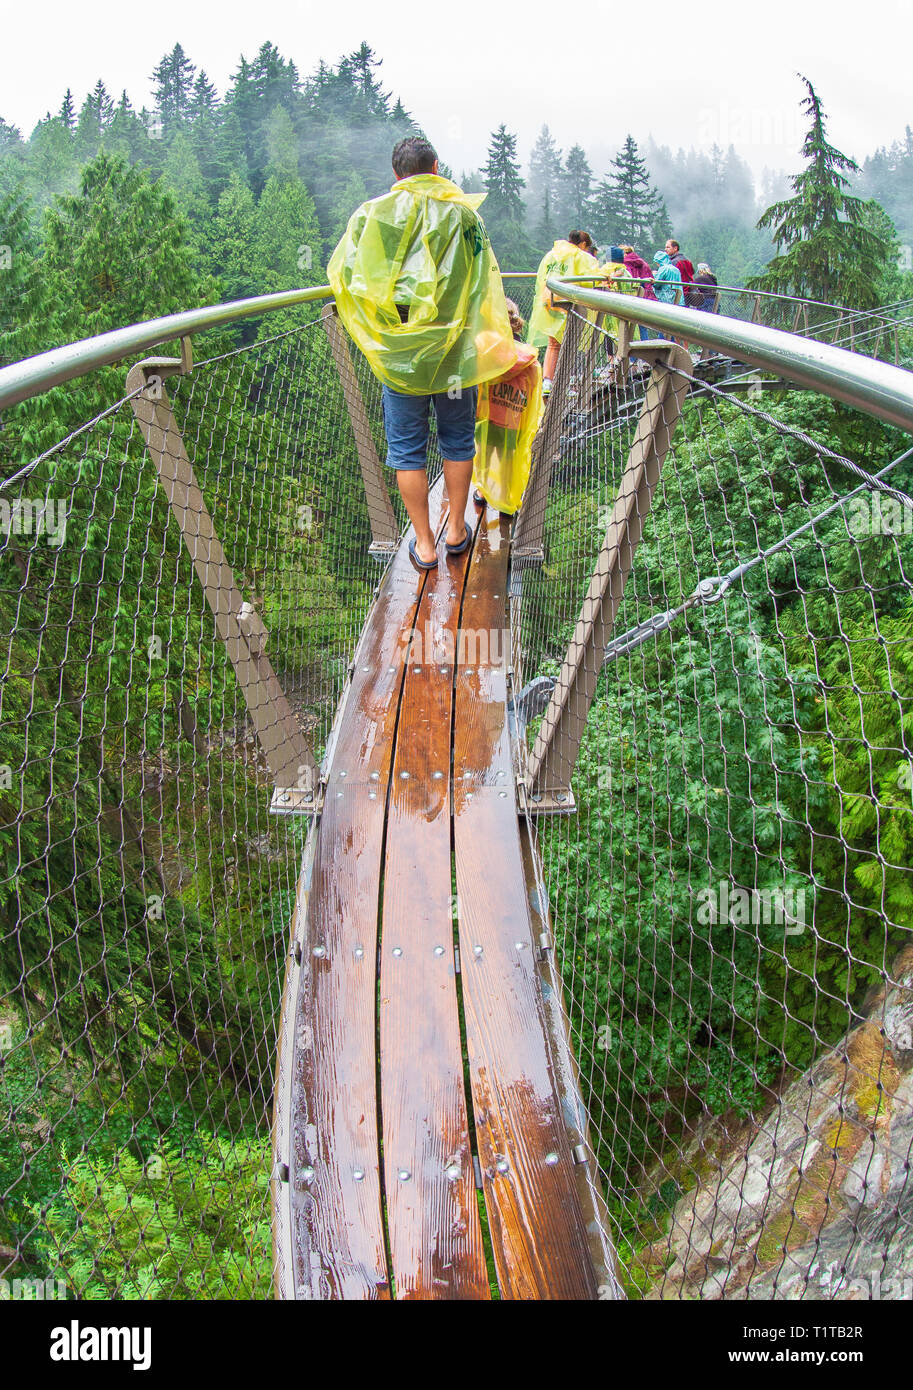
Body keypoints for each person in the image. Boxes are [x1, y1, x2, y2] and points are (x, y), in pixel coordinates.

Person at [328, 136, 516, 571]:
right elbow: (481, 282)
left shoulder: (371, 216)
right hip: (452, 356)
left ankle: (425, 546)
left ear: (397, 176)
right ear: (435, 168)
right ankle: (456, 532)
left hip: (400, 358)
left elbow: (351, 279)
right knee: (456, 438)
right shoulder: (464, 216)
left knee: (407, 450)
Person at [526, 230, 599, 394]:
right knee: (568, 343)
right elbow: (590, 280)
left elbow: (541, 278)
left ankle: (547, 383)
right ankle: (562, 385)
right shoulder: (580, 256)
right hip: (570, 304)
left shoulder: (552, 254)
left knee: (553, 343)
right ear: (582, 244)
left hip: (550, 302)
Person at [665, 238, 695, 305]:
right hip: (688, 292)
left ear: (675, 248)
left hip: (677, 292)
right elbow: (692, 273)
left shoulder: (673, 262)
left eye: (668, 247)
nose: (665, 249)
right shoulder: (687, 260)